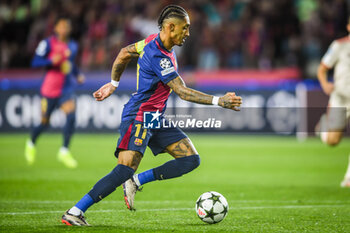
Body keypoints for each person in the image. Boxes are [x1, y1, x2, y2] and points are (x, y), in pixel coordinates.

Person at [61, 5, 242, 226]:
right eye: (185, 28)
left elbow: (125, 53)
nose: (188, 33)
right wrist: (218, 101)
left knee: (191, 159)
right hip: (139, 116)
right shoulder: (158, 55)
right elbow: (182, 91)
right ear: (171, 27)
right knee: (124, 168)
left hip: (153, 118)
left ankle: (136, 182)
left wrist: (113, 84)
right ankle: (75, 211)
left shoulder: (151, 42)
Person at [24, 18, 85, 168]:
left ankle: (64, 151)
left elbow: (70, 63)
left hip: (66, 89)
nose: (64, 29)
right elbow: (35, 62)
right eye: (62, 26)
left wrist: (77, 73)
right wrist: (51, 61)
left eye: (67, 26)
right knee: (45, 123)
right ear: (56, 28)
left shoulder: (73, 45)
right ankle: (31, 143)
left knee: (71, 117)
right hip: (49, 90)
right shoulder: (47, 43)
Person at [316, 17, 350, 187]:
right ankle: (324, 126)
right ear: (348, 26)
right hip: (341, 98)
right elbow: (322, 69)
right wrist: (324, 84)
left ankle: (349, 177)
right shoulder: (339, 45)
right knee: (333, 141)